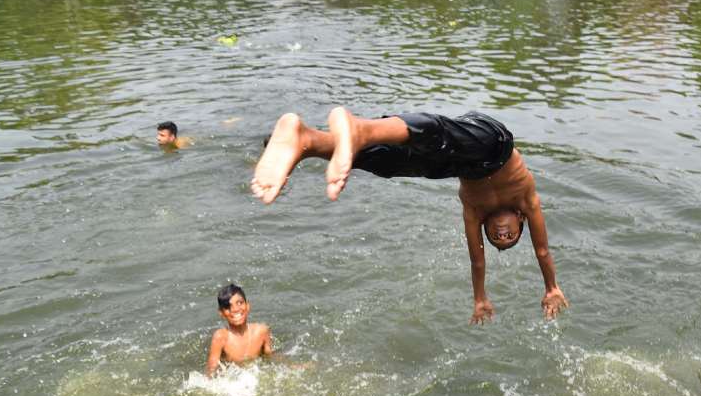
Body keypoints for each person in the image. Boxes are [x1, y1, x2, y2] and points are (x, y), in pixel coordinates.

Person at [250, 107, 568, 324]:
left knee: (393, 162)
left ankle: (306, 141)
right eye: (510, 236)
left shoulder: (474, 210)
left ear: (484, 226)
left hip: (456, 165)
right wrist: (550, 287)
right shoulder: (527, 201)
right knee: (438, 133)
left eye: (496, 237)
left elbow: (477, 260)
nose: (501, 235)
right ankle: (358, 128)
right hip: (490, 144)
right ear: (520, 221)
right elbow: (541, 249)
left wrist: (479, 298)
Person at [206, 283, 272, 377]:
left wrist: (292, 366)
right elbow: (211, 370)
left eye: (240, 303)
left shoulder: (261, 331)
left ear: (248, 306)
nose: (235, 309)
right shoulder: (221, 337)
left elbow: (270, 358)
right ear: (221, 313)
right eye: (228, 307)